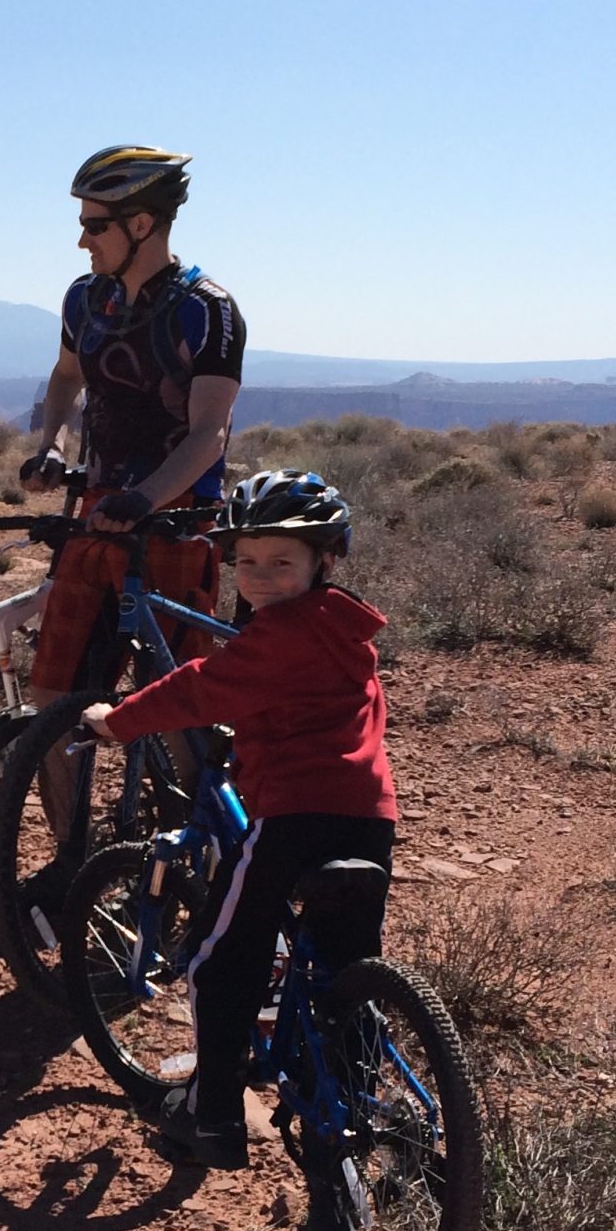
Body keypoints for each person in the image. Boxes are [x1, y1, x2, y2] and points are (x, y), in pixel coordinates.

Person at [79, 470, 395, 1169]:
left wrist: (121, 721)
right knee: (348, 967)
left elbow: (203, 687)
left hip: (292, 817)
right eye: (247, 561)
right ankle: (346, 1108)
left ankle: (213, 1113)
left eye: (281, 561)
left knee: (219, 964)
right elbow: (307, 707)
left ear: (325, 560)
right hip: (369, 817)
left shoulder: (279, 633)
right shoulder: (348, 634)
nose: (260, 577)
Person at [16, 144, 246, 905]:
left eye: (95, 225)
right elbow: (65, 377)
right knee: (54, 699)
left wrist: (145, 499)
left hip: (174, 528)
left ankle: (210, 866)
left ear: (142, 222)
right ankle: (72, 858)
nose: (83, 241)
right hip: (94, 522)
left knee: (180, 707)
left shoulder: (205, 311)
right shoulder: (86, 299)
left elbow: (208, 431)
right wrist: (48, 443)